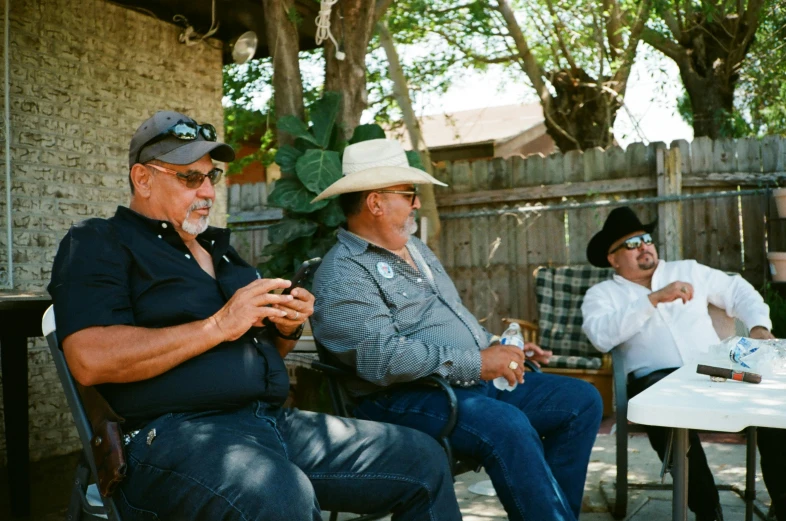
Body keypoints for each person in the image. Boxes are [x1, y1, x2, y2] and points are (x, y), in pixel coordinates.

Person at [47, 111, 463, 521]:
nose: (207, 191)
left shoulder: (221, 252)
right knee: (279, 493)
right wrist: (219, 324)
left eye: (211, 177)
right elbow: (90, 359)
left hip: (269, 424)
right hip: (172, 439)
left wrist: (285, 324)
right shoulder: (99, 241)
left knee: (422, 458)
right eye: (190, 178)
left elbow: (264, 355)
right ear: (143, 178)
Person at [310, 138, 603, 521]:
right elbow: (381, 358)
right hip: (402, 398)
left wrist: (499, 348)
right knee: (506, 424)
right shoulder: (344, 273)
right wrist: (476, 362)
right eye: (409, 193)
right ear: (375, 203)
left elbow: (450, 317)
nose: (416, 202)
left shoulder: (415, 249)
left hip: (464, 384)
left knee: (581, 401)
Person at [581, 206, 786, 521]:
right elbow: (600, 335)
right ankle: (708, 511)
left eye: (646, 239)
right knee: (666, 421)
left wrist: (758, 324)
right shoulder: (602, 294)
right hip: (655, 380)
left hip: (714, 371)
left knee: (775, 412)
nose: (644, 247)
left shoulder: (688, 270)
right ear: (612, 258)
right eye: (631, 244)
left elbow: (738, 290)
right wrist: (653, 299)